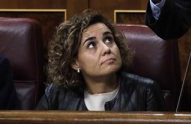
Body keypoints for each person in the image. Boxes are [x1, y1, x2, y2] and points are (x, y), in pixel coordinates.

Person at [36, 10, 166, 111]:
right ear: (75, 62)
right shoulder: (56, 94)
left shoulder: (145, 92)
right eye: (92, 45)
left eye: (108, 39)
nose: (106, 49)